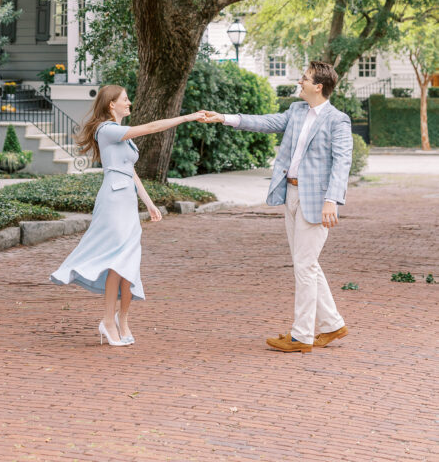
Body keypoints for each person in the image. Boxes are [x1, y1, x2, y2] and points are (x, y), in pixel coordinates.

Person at [207, 60, 353, 353]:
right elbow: (264, 122)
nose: (299, 82)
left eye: (304, 78)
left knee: (304, 265)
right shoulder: (297, 111)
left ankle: (301, 336)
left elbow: (342, 163)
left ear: (318, 86)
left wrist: (331, 201)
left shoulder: (338, 120)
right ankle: (333, 325)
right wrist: (223, 117)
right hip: (292, 194)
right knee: (307, 263)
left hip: (317, 201)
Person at [50, 84, 211, 347]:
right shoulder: (107, 129)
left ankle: (122, 319)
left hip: (127, 201)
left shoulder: (122, 135)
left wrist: (149, 203)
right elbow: (150, 128)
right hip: (113, 202)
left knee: (129, 263)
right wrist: (187, 117)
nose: (129, 102)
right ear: (111, 104)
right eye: (125, 99)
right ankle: (107, 321)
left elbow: (130, 171)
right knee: (117, 261)